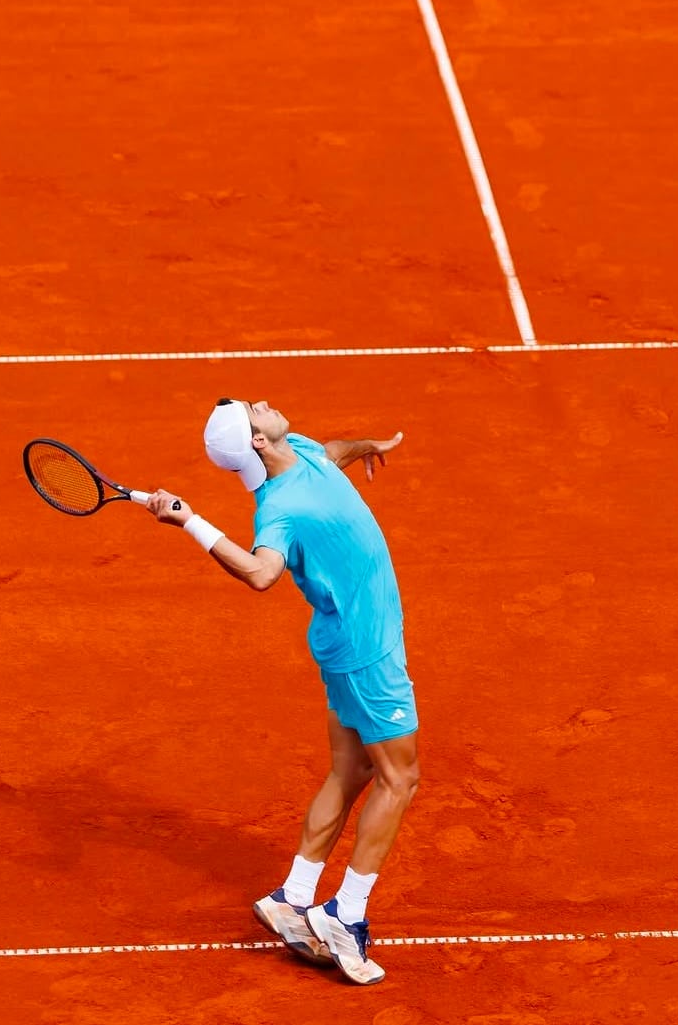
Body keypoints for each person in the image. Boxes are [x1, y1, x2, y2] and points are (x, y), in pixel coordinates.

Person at [144, 397, 419, 987]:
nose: (265, 404)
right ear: (258, 443)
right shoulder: (280, 511)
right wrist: (191, 520)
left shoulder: (300, 451)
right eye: (255, 411)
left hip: (346, 643)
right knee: (401, 778)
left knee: (350, 774)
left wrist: (364, 444)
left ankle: (293, 897)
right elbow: (262, 573)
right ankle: (346, 911)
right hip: (366, 646)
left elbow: (330, 456)